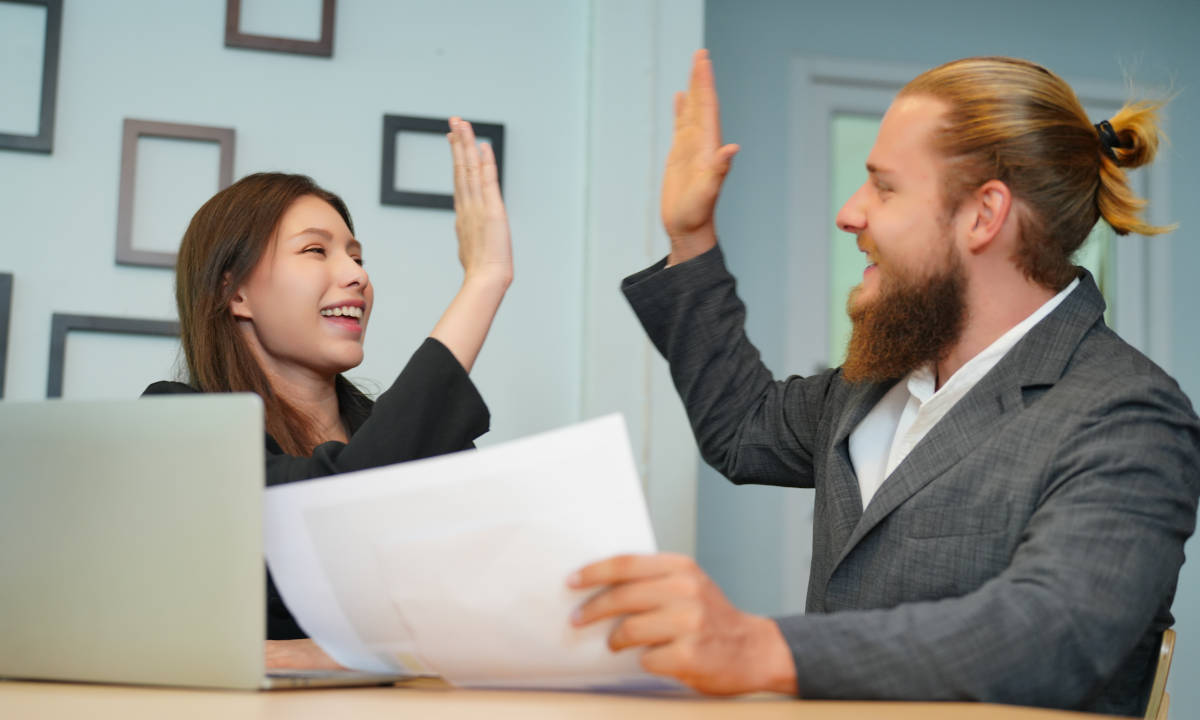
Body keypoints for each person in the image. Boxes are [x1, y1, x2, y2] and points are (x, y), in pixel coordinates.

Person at [569, 50, 1200, 715]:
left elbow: (1051, 631)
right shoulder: (878, 383)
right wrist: (690, 235)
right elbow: (743, 428)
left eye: (885, 186)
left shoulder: (1128, 415)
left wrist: (757, 649)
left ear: (984, 215)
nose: (850, 212)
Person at [144, 118, 511, 654]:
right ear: (235, 293)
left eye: (357, 256)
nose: (356, 275)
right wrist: (484, 280)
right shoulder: (177, 422)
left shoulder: (393, 430)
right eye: (316, 251)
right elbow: (341, 506)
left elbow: (489, 592)